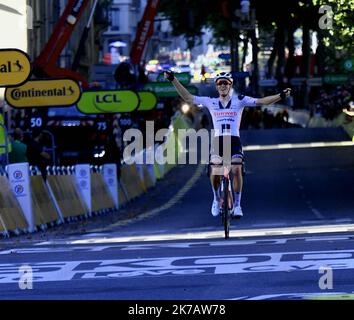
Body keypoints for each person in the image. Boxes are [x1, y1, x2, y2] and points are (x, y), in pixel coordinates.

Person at [164, 70, 291, 218]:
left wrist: (280, 96)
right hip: (218, 141)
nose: (222, 85)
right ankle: (217, 200)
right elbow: (187, 97)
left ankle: (237, 205)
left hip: (234, 140)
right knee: (215, 169)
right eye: (219, 83)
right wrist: (173, 79)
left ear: (230, 85)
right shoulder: (210, 101)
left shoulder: (240, 100)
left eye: (225, 83)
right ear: (217, 86)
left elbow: (262, 101)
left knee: (237, 168)